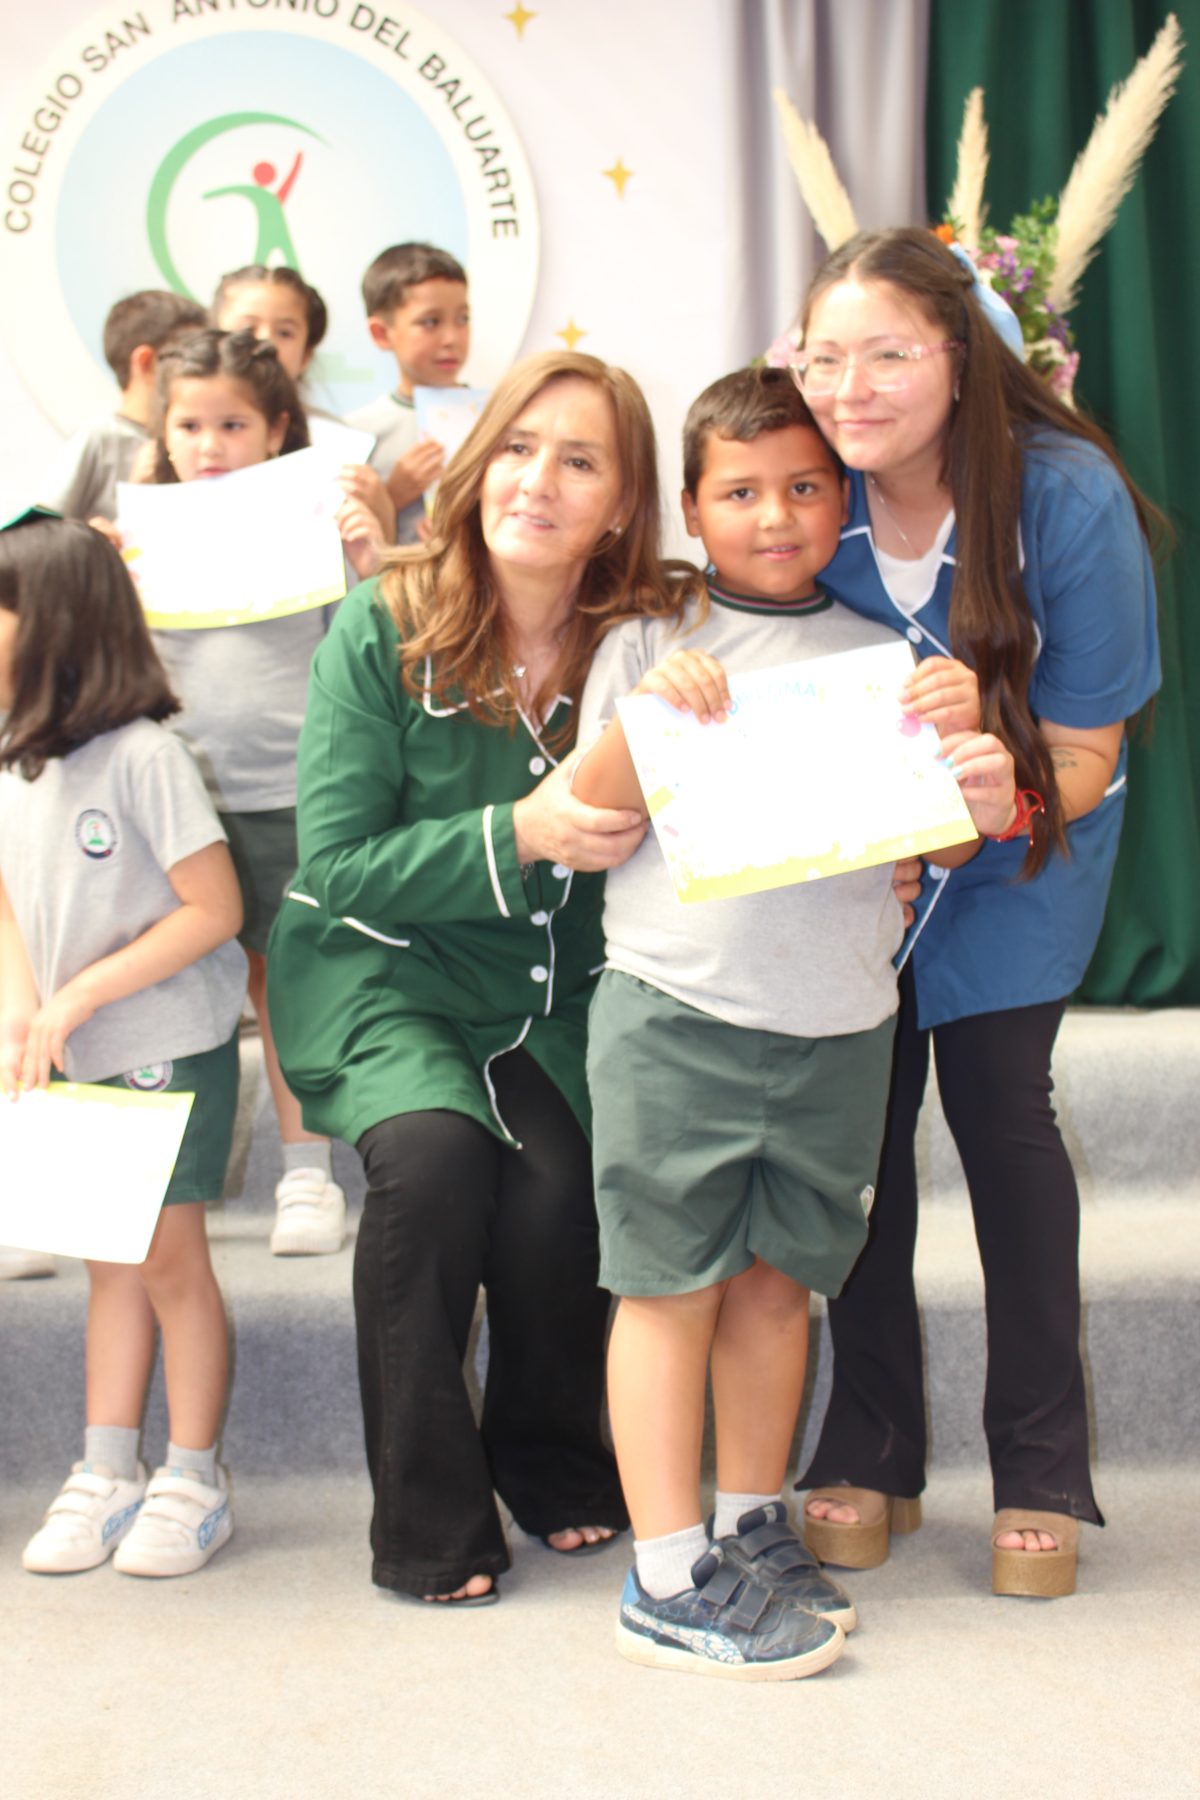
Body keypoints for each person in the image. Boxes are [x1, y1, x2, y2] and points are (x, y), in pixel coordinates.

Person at [573, 366, 1016, 1678]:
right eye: (743, 492)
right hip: (677, 1014)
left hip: (837, 1025)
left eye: (806, 486)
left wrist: (967, 750)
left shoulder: (893, 656)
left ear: (845, 501)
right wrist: (656, 715)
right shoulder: (651, 644)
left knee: (777, 1290)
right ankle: (661, 1573)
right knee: (667, 1288)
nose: (777, 514)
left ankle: (747, 1522)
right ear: (696, 511)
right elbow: (590, 822)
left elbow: (937, 842)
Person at [265, 349, 686, 1605]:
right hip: (386, 975)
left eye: (579, 459)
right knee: (436, 1171)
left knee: (564, 1199)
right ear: (473, 458)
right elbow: (335, 868)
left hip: (554, 995)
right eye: (516, 445)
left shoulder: (651, 632)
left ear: (622, 501)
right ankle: (428, 1523)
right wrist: (521, 834)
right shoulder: (382, 622)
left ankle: (553, 1462)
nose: (537, 481)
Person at [789, 227, 1162, 1598]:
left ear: (966, 357)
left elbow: (1088, 753)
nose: (851, 385)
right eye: (823, 355)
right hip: (862, 870)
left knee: (1002, 1115)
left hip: (1027, 850)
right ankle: (875, 1445)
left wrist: (998, 789)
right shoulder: (806, 493)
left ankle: (1042, 1465)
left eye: (888, 352)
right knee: (859, 1139)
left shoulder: (1066, 498)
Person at [102, 328, 385, 1257]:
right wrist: (100, 577)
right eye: (190, 423)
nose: (210, 443)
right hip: (170, 806)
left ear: (276, 432)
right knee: (160, 985)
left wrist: (365, 553)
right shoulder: (134, 540)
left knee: (284, 980)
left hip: (289, 794)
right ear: (162, 429)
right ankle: (128, 1178)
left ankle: (306, 1175)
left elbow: (370, 642)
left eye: (233, 423)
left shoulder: (310, 529)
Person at [0, 514, 247, 1576]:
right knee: (111, 1266)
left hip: (162, 1047)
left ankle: (194, 1474)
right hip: (72, 1059)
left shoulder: (147, 757)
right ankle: (108, 1468)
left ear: (53, 621)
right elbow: (9, 906)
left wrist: (84, 993)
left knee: (169, 1263)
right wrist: (26, 1009)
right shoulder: (16, 761)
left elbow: (216, 906)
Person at [210, 264, 395, 543]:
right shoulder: (180, 438)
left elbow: (372, 561)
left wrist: (383, 514)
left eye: (284, 333)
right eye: (248, 327)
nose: (265, 343)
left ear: (306, 354)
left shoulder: (340, 448)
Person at [35, 290, 207, 522]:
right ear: (146, 362)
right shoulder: (100, 439)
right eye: (189, 358)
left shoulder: (196, 442)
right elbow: (43, 530)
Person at [346, 242, 471, 543]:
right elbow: (353, 547)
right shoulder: (357, 435)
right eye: (430, 322)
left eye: (463, 319)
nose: (451, 338)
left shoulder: (499, 416)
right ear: (381, 333)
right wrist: (392, 497)